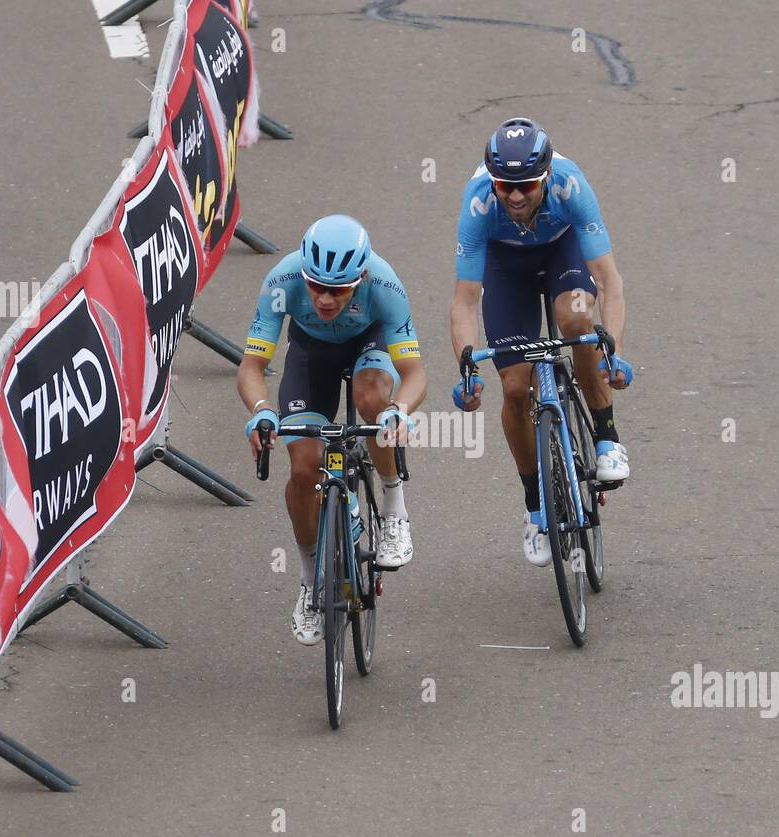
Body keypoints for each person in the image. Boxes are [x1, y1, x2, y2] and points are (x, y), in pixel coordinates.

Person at [448, 117, 633, 568]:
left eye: (526, 185)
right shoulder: (477, 204)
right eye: (504, 185)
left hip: (560, 252)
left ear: (546, 176)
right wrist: (467, 368)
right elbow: (466, 303)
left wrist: (616, 352)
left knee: (575, 320)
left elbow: (609, 281)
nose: (514, 195)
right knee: (514, 388)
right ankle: (536, 505)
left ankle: (606, 437)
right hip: (505, 267)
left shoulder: (571, 186)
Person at [239, 215, 427, 645]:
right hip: (310, 356)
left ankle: (394, 506)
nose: (324, 298)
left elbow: (413, 372)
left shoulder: (383, 284)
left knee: (371, 402)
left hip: (368, 346)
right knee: (304, 468)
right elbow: (251, 366)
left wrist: (400, 409)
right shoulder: (282, 280)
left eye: (338, 289)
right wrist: (262, 410)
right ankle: (310, 582)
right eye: (316, 286)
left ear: (359, 277)